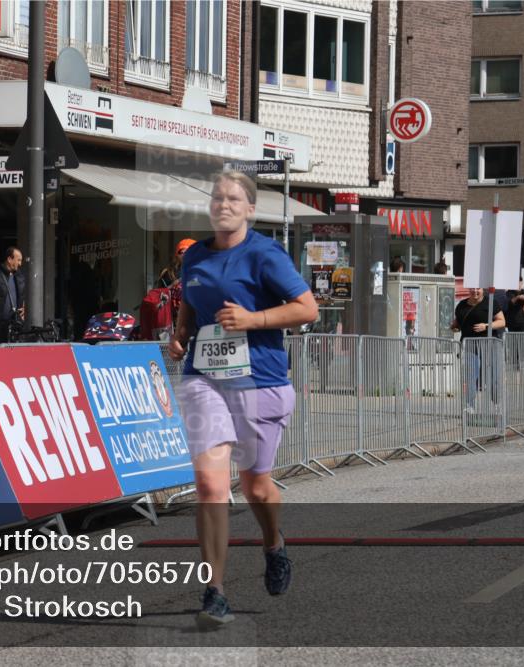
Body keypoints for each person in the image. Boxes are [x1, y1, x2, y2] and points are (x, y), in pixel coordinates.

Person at [167, 171, 318, 630]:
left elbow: (307, 309)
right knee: (211, 486)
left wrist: (254, 319)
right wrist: (179, 335)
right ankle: (215, 591)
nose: (223, 204)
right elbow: (190, 307)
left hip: (260, 381)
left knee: (255, 486)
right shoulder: (194, 256)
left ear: (250, 208)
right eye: (217, 197)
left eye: (233, 198)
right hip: (204, 379)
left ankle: (274, 543)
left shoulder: (265, 255)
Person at [451, 287, 506, 412]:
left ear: (483, 290)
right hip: (469, 346)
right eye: (472, 289)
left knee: (493, 377)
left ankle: (497, 405)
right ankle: (469, 406)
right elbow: (458, 322)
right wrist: (454, 326)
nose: (475, 291)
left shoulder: (490, 302)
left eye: (478, 289)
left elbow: (502, 322)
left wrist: (486, 326)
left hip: (490, 345)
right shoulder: (461, 305)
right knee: (470, 377)